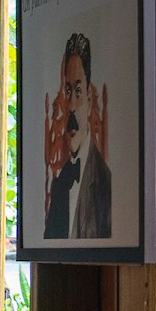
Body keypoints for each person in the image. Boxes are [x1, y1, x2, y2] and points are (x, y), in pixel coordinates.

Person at [42, 32, 111, 241]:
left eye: (79, 91)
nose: (71, 106)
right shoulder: (60, 183)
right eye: (69, 91)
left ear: (90, 98)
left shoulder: (105, 184)